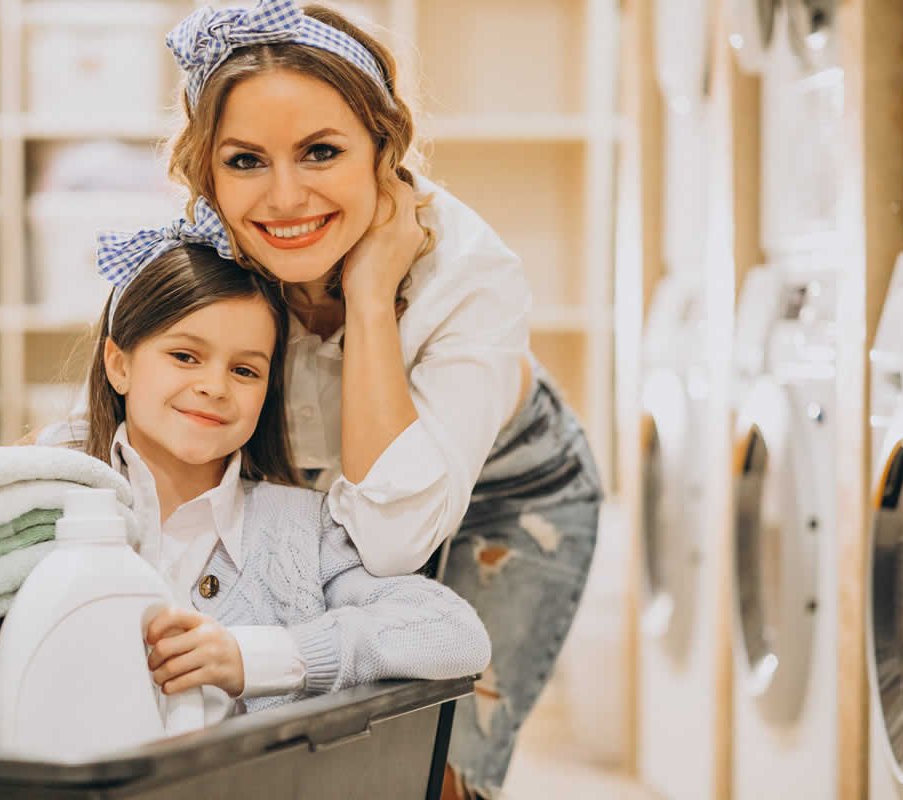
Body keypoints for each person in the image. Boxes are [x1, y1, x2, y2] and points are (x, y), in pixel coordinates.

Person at [0, 230, 492, 722]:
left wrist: (258, 657)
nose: (214, 386)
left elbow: (452, 633)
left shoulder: (301, 527)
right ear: (120, 362)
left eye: (245, 369)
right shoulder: (50, 487)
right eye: (186, 356)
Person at [154, 2, 605, 797]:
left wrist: (368, 299)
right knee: (299, 754)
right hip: (326, 508)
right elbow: (136, 425)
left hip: (510, 501)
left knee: (438, 775)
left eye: (321, 152)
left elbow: (394, 540)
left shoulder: (469, 276)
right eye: (246, 161)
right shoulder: (209, 259)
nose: (284, 199)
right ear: (208, 170)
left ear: (382, 148)